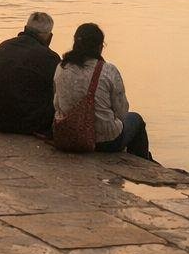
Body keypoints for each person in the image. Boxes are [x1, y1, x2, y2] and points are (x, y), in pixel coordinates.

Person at [53, 22, 153, 160]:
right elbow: (122, 112)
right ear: (100, 46)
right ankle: (144, 163)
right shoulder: (108, 70)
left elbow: (57, 104)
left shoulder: (61, 67)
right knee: (136, 119)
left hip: (68, 135)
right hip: (104, 142)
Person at [0, 12, 61, 134]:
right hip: (27, 122)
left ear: (25, 29)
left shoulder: (3, 46)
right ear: (49, 37)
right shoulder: (50, 57)